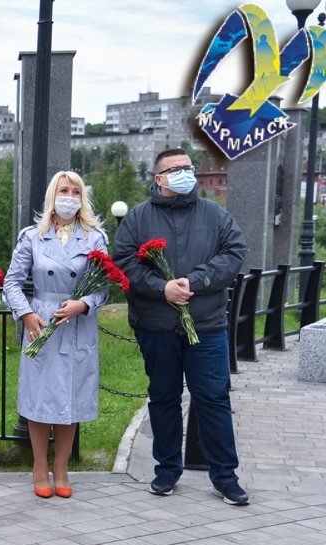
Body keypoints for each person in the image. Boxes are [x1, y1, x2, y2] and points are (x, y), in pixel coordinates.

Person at [113, 147, 249, 505]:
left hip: (206, 325)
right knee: (163, 397)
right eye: (175, 169)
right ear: (158, 178)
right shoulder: (139, 218)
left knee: (213, 399)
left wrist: (195, 281)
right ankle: (167, 470)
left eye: (188, 167)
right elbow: (124, 261)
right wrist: (162, 288)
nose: (185, 173)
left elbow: (234, 252)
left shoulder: (213, 213)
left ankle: (225, 476)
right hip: (156, 324)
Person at [4, 171, 109, 499]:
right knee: (40, 399)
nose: (70, 197)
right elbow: (11, 281)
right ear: (53, 195)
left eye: (76, 191)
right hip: (41, 322)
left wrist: (83, 303)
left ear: (82, 198)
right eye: (64, 190)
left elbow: (104, 286)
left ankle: (60, 466)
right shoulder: (32, 236)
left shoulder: (95, 237)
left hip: (77, 324)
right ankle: (39, 465)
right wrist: (26, 313)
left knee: (70, 398)